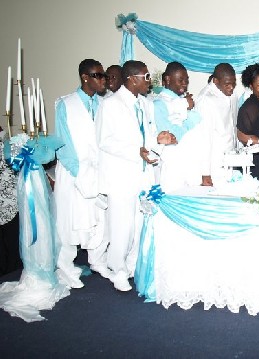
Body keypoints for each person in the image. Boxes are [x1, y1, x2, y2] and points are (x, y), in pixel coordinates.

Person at [96, 60, 176, 291]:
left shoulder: (144, 103)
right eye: (147, 76)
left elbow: (147, 136)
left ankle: (132, 265)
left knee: (141, 223)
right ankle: (117, 269)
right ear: (132, 78)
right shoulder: (111, 104)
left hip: (142, 174)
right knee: (122, 226)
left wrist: (158, 144)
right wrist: (135, 151)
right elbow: (104, 140)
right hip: (121, 176)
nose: (150, 81)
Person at [54, 58, 110, 288]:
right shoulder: (65, 104)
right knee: (70, 221)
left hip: (98, 170)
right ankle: (65, 269)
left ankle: (98, 260)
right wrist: (81, 175)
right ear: (85, 77)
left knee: (100, 220)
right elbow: (64, 143)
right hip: (74, 171)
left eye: (103, 74)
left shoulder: (104, 103)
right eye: (98, 75)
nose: (103, 79)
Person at [153, 61, 202, 191]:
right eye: (180, 80)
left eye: (186, 80)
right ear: (168, 79)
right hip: (172, 164)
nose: (184, 84)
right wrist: (189, 121)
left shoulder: (182, 101)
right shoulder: (159, 103)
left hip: (189, 160)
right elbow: (170, 137)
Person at [195, 63, 238, 187]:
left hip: (231, 159)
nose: (231, 87)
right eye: (227, 84)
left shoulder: (232, 95)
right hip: (215, 165)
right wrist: (205, 173)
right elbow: (204, 138)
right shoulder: (206, 100)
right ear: (215, 81)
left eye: (233, 83)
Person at [0, 128, 21, 276]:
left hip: (9, 197)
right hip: (8, 196)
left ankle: (11, 267)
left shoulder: (6, 145)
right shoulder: (6, 146)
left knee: (11, 234)